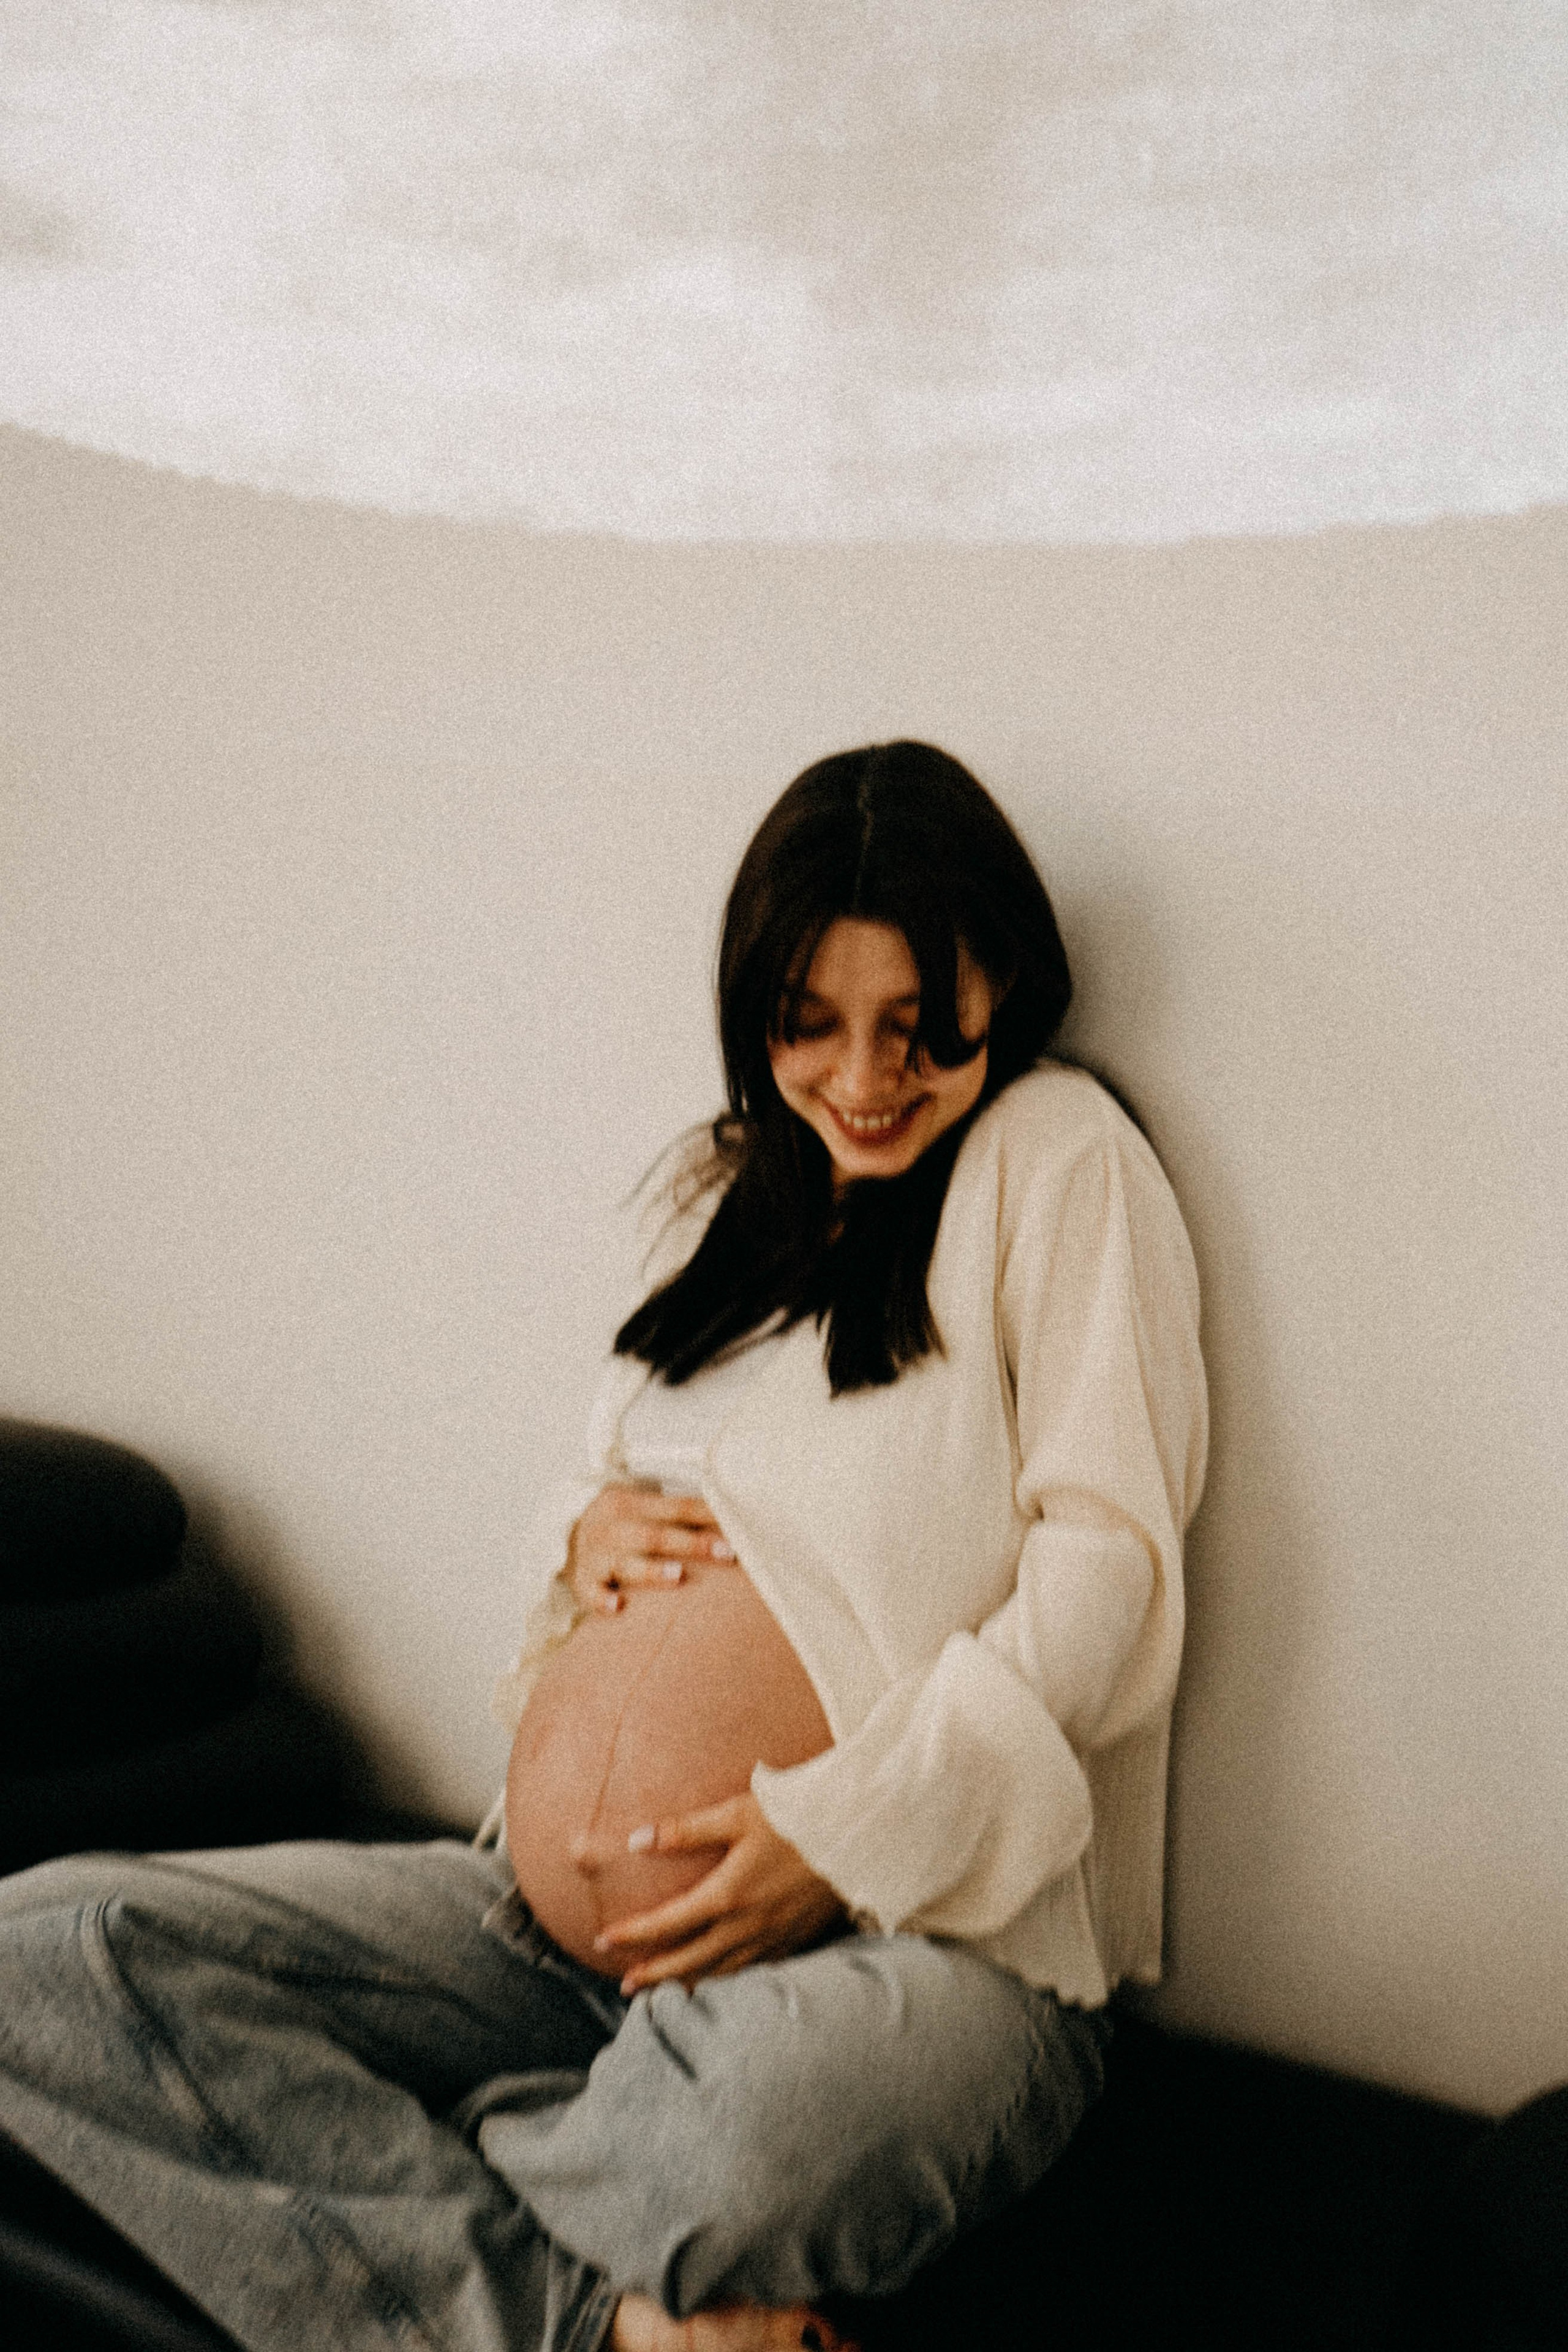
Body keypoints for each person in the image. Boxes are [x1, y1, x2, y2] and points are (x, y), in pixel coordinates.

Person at [0, 740, 1207, 2352]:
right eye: (812, 1024)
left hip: (921, 1951)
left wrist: (841, 1840)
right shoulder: (730, 1199)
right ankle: (607, 2318)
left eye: (920, 1031)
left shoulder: (1058, 1160)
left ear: (1011, 981)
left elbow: (1105, 1574)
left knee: (748, 2136)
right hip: (554, 1943)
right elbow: (592, 1504)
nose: (863, 1079)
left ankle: (439, 2201)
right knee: (45, 1955)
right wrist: (581, 1531)